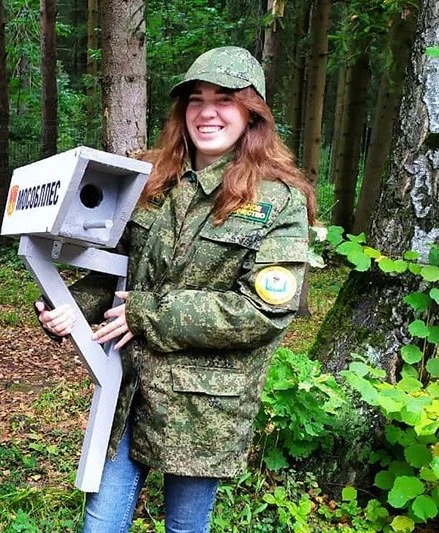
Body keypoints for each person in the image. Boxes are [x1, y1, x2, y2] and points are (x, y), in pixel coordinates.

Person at [36, 46, 316, 532]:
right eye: (195, 99)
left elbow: (263, 311)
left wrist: (146, 314)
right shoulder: (151, 179)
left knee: (186, 527)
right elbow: (115, 269)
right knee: (101, 523)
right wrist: (70, 306)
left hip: (204, 402)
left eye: (224, 99)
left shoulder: (279, 200)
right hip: (131, 389)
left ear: (252, 113)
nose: (206, 112)